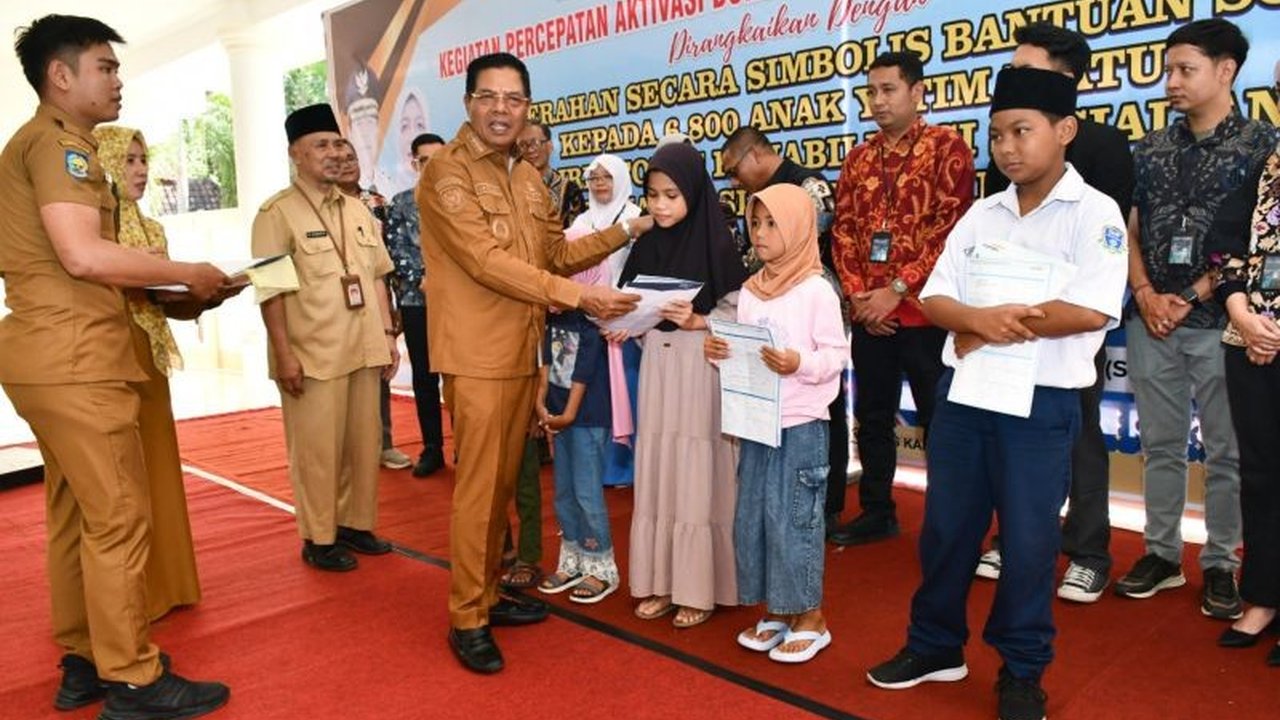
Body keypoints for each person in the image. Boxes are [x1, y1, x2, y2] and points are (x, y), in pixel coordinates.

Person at [866, 66, 1128, 720]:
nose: (1007, 147)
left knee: (1031, 542)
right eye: (997, 135)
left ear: (1064, 131)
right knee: (947, 530)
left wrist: (996, 321)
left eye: (1022, 131)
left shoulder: (1095, 213)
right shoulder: (982, 213)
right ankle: (934, 645)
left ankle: (1021, 668)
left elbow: (1094, 308)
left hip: (1040, 407)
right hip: (966, 393)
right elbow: (936, 294)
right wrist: (975, 321)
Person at [0, 14, 229, 719]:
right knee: (121, 518)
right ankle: (133, 678)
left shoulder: (37, 146)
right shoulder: (60, 149)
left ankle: (84, 659)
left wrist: (177, 291)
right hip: (75, 357)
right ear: (61, 75)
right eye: (105, 66)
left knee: (79, 515)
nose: (118, 80)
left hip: (49, 354)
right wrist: (182, 268)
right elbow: (84, 255)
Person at [418, 52, 646, 674]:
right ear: (468, 103)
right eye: (488, 97)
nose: (501, 109)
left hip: (522, 353)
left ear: (526, 108)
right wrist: (583, 297)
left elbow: (552, 253)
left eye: (513, 99)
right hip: (476, 355)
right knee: (479, 490)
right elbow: (486, 261)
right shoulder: (446, 173)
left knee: (503, 489)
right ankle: (467, 616)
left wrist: (630, 229)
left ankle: (489, 592)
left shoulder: (526, 177)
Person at [1117, 19, 1276, 618]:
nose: (1172, 82)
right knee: (1159, 444)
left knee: (1228, 453)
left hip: (1224, 325)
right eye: (1169, 70)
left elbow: (1254, 238)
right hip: (1151, 317)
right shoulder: (1152, 147)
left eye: (1186, 70)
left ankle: (1221, 565)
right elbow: (1131, 227)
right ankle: (1160, 554)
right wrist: (1145, 291)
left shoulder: (1262, 144)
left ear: (1226, 71)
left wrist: (1193, 293)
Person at [974, 22, 1135, 604]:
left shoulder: (1107, 148)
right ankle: (1011, 536)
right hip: (1004, 326)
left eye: (1027, 67)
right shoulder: (1003, 148)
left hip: (1067, 326)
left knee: (1081, 436)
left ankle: (1089, 550)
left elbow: (1112, 242)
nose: (1011, 144)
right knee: (1004, 439)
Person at [829, 50, 975, 546]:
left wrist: (895, 292)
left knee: (942, 421)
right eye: (872, 91)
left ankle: (950, 520)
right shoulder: (859, 158)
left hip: (926, 314)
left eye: (888, 89)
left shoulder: (947, 148)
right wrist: (858, 298)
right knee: (871, 415)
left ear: (917, 92)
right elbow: (843, 233)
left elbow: (948, 232)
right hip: (871, 316)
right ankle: (877, 509)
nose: (877, 101)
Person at [252, 103, 400, 573]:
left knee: (363, 443)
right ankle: (319, 537)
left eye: (338, 144)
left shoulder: (357, 208)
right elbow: (270, 290)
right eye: (321, 146)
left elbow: (377, 275)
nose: (334, 154)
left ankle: (356, 525)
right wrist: (283, 354)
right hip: (312, 353)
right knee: (317, 452)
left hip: (363, 345)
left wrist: (387, 335)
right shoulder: (276, 213)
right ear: (296, 154)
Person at [705, 184, 848, 663]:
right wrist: (720, 354)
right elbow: (746, 353)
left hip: (802, 423)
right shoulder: (751, 290)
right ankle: (778, 610)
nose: (760, 234)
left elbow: (835, 356)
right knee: (755, 520)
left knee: (794, 520)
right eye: (756, 223)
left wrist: (797, 363)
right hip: (757, 420)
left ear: (799, 227)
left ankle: (810, 615)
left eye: (772, 224)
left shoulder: (816, 290)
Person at [96, 124, 226, 620]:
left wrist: (201, 297)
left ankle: (166, 585)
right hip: (107, 355)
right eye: (127, 160)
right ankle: (125, 600)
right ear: (104, 163)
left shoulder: (152, 229)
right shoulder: (93, 234)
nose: (141, 169)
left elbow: (162, 303)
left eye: (142, 158)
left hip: (148, 355)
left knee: (157, 468)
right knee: (119, 480)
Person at [624, 142, 750, 629]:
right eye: (653, 195)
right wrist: (625, 322)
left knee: (698, 470)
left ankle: (700, 587)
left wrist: (699, 321)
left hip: (702, 369)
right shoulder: (646, 244)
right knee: (660, 468)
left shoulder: (717, 244)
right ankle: (661, 581)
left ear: (694, 194)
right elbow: (629, 301)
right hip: (658, 364)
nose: (660, 205)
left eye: (671, 195)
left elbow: (739, 315)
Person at [719, 125, 851, 539]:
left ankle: (825, 505)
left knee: (822, 408)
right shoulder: (756, 204)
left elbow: (816, 244)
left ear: (755, 155)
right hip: (766, 302)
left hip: (808, 309)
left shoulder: (807, 186)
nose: (733, 182)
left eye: (734, 171)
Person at [1209, 148, 1280, 665]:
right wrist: (1242, 311)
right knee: (1260, 474)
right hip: (1251, 339)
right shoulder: (1267, 163)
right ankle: (1265, 594)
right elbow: (1223, 246)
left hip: (1267, 338)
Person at [534, 257, 620, 603]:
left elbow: (582, 372)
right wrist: (541, 403)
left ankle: (601, 565)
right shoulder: (550, 318)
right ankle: (572, 557)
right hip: (558, 415)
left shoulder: (590, 325)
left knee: (587, 492)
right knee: (563, 492)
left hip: (585, 417)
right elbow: (544, 363)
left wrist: (566, 413)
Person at [335, 138, 413, 471]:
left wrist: (393, 308)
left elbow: (392, 256)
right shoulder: (319, 206)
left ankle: (384, 443)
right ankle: (346, 449)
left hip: (376, 296)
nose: (348, 164)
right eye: (340, 159)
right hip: (335, 305)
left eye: (352, 157)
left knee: (380, 367)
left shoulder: (377, 202)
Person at [569, 153, 643, 488]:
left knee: (628, 391)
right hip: (589, 321)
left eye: (606, 177)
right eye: (593, 178)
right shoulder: (581, 223)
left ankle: (630, 467)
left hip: (628, 321)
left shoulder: (638, 218)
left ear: (621, 179)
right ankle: (603, 468)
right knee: (599, 395)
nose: (599, 184)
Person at [385, 132, 448, 477]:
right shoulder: (401, 203)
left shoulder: (461, 200)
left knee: (458, 377)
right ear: (414, 163)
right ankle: (432, 448)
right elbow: (396, 252)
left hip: (458, 304)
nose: (433, 166)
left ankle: (466, 448)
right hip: (416, 301)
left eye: (440, 158)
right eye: (425, 161)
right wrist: (423, 279)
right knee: (425, 378)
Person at [518, 119, 586, 228]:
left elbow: (577, 237)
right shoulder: (510, 189)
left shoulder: (570, 191)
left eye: (535, 143)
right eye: (523, 145)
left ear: (550, 146)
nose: (530, 150)